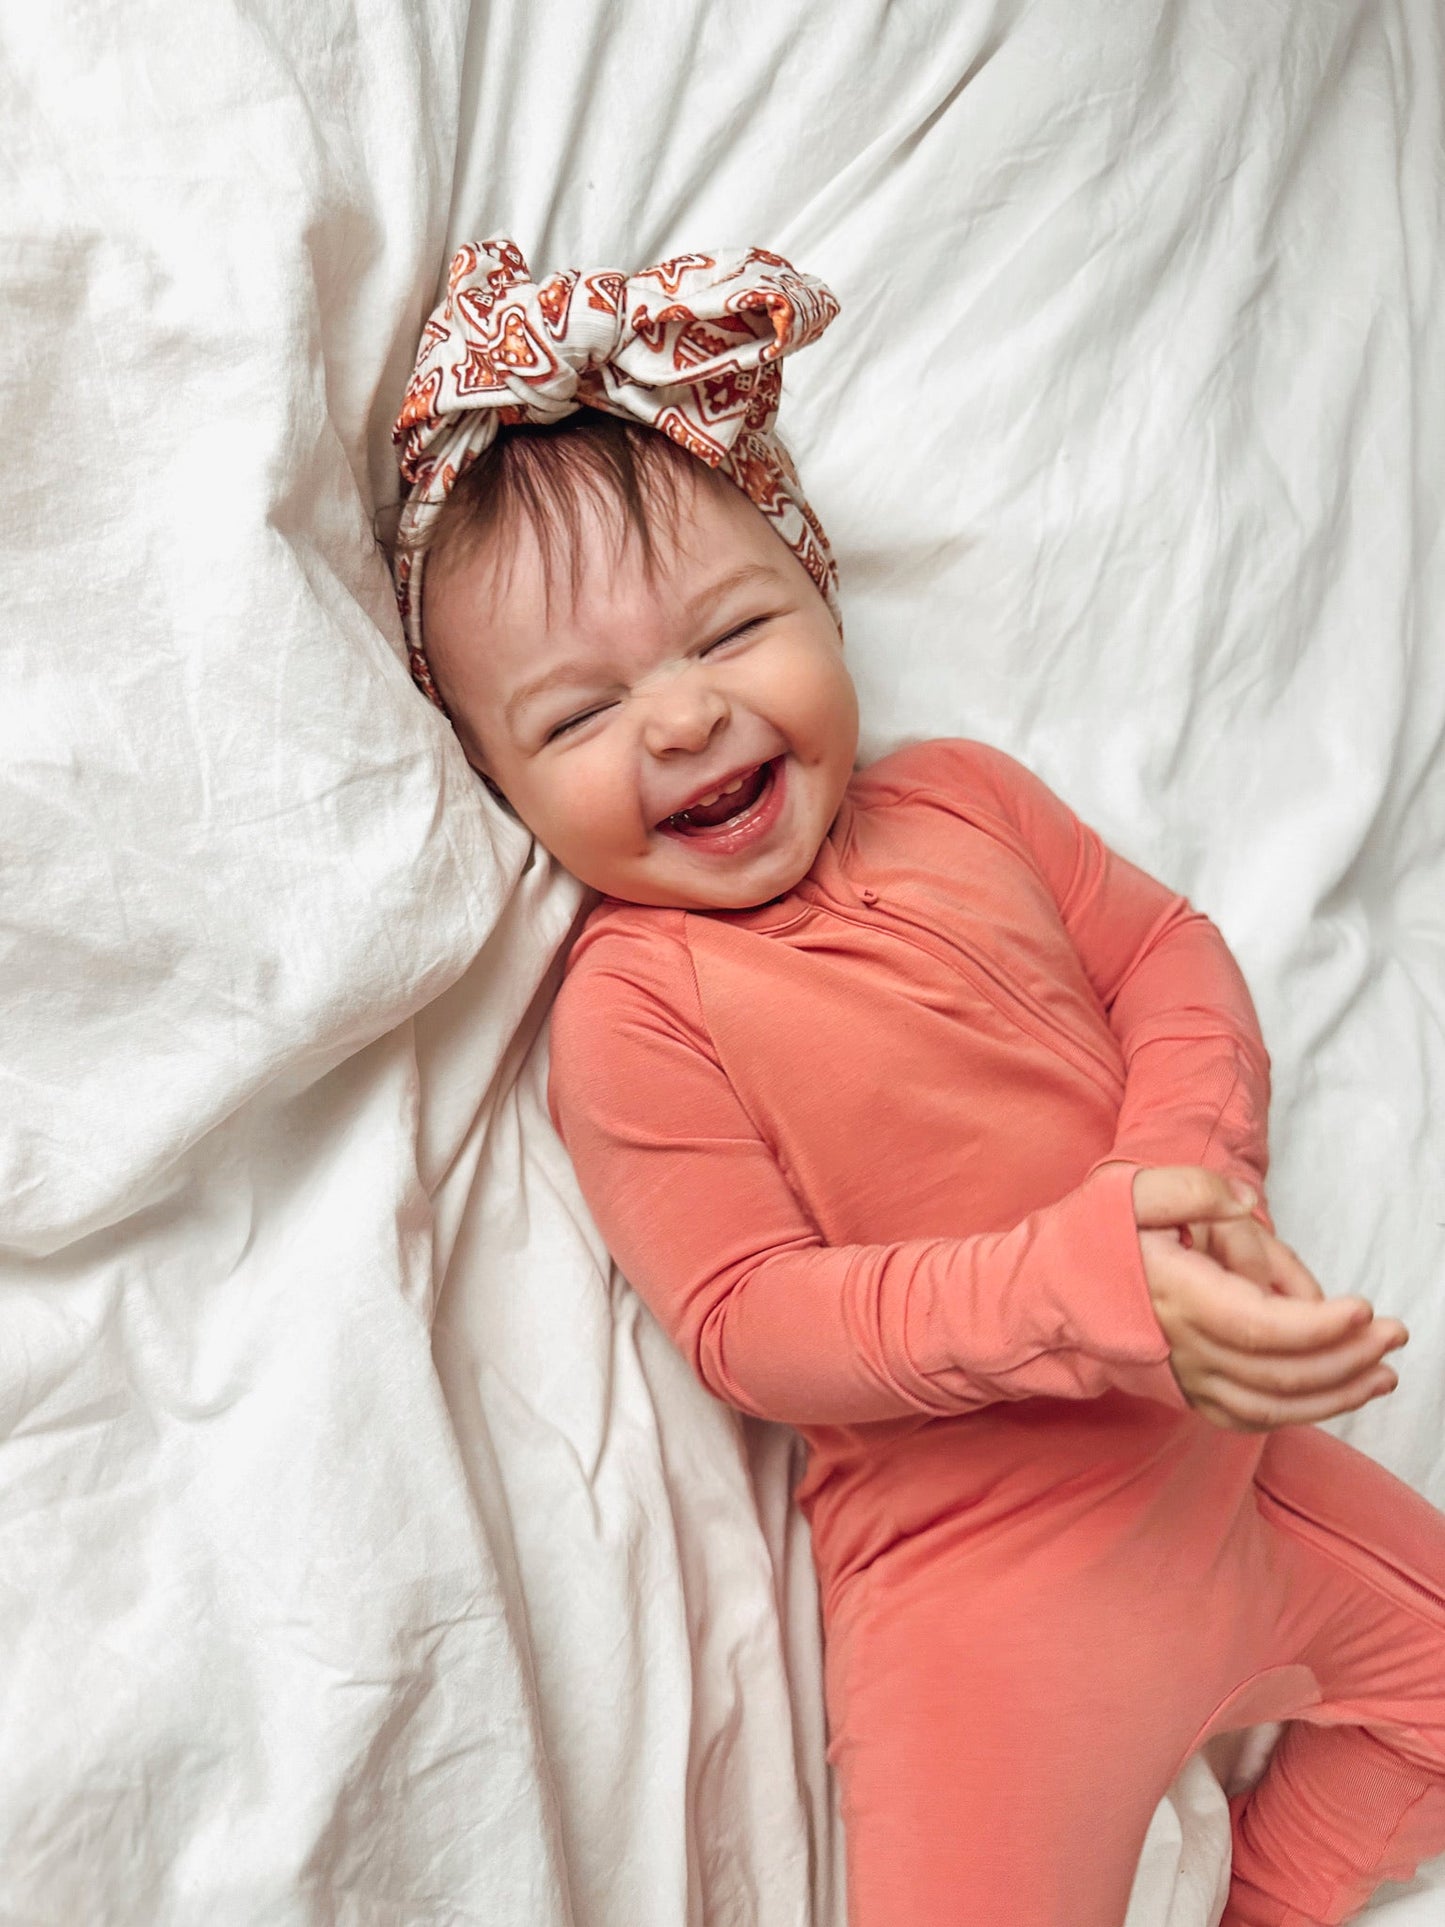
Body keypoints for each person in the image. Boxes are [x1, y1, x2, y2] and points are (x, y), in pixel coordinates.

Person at [391, 239, 1445, 1927]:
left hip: (1236, 1486)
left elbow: (1167, 954)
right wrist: (1079, 1284)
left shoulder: (963, 797)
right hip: (988, 1598)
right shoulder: (636, 1004)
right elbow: (752, 1321)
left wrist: (1181, 1176)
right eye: (579, 717)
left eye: (734, 627)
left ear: (818, 597)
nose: (680, 718)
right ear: (505, 795)